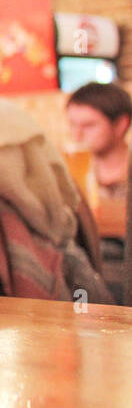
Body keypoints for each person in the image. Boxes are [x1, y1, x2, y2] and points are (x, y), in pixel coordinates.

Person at [66, 81, 131, 299]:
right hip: (85, 268)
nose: (77, 135)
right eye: (73, 125)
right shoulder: (69, 172)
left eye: (89, 126)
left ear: (121, 125)